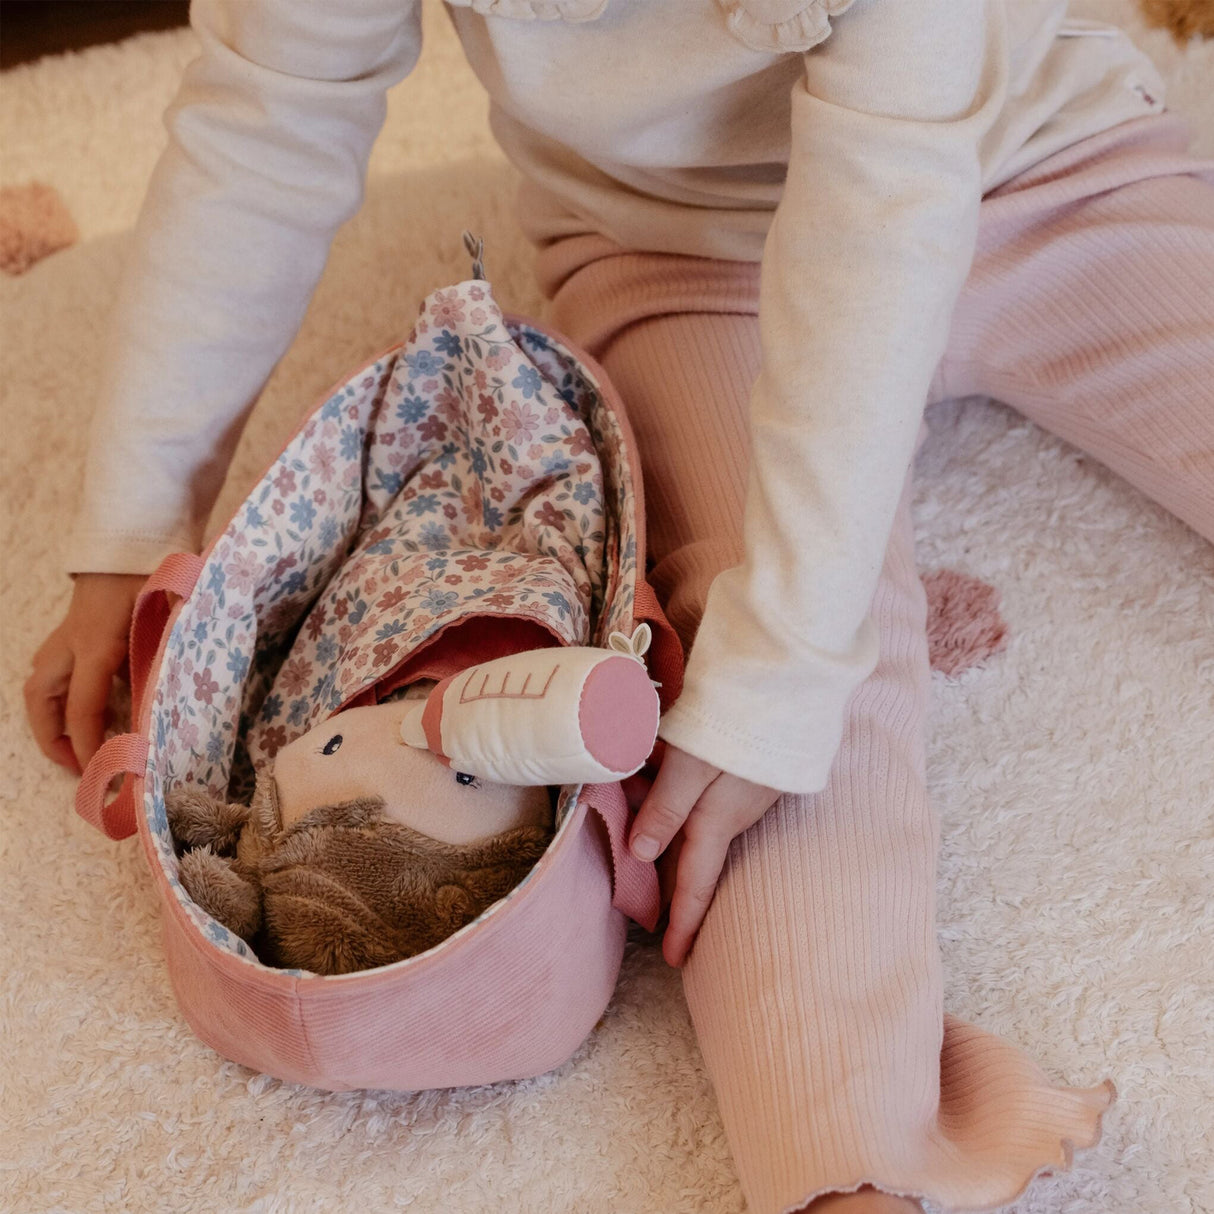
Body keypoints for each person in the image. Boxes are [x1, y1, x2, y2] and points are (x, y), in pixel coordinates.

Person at [23, 2, 1214, 1211]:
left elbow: (885, 200)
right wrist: (133, 518)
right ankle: (853, 1163)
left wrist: (791, 651)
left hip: (1042, 164)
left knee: (785, 662)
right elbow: (264, 119)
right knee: (737, 737)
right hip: (680, 249)